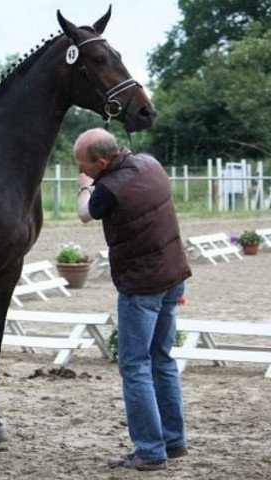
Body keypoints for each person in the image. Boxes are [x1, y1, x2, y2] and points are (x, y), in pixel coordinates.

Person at [74, 128, 192, 471]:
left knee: (135, 366)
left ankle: (150, 451)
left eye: (84, 165)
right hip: (173, 276)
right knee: (162, 359)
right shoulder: (151, 164)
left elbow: (85, 212)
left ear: (102, 161)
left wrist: (85, 186)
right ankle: (173, 441)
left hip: (141, 286)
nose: (82, 170)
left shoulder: (107, 188)